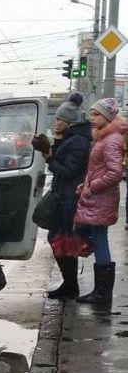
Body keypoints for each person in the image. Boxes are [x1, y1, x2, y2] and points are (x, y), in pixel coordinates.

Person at [32, 93, 92, 299]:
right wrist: (54, 143)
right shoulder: (71, 137)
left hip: (70, 199)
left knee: (59, 238)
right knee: (60, 239)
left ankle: (70, 285)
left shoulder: (79, 142)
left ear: (70, 120)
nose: (56, 122)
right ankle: (69, 284)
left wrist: (49, 156)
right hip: (64, 196)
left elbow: (67, 172)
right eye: (56, 118)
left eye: (59, 119)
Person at [73, 96, 127, 306]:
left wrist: (93, 186)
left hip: (101, 197)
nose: (92, 118)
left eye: (96, 115)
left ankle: (102, 294)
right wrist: (85, 184)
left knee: (100, 237)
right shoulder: (103, 138)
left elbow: (115, 172)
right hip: (98, 197)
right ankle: (100, 292)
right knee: (98, 236)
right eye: (91, 114)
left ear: (107, 117)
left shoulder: (111, 140)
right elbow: (98, 169)